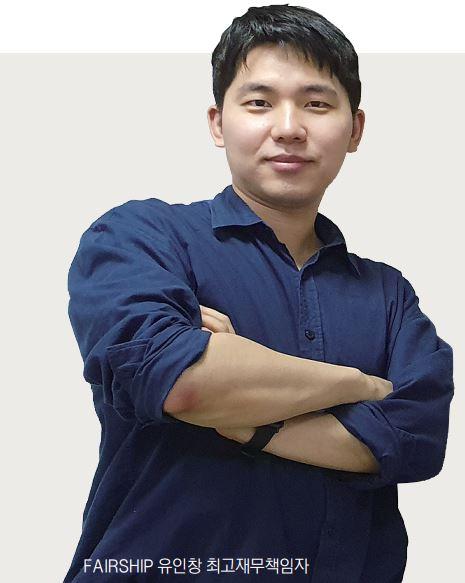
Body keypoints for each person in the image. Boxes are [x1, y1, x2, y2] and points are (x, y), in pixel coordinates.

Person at [63, 5, 454, 582]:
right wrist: (362, 385)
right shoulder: (141, 237)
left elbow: (416, 439)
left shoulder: (388, 295)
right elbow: (184, 384)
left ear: (355, 130)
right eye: (259, 102)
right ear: (218, 123)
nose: (289, 127)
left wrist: (246, 416)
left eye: (316, 104)